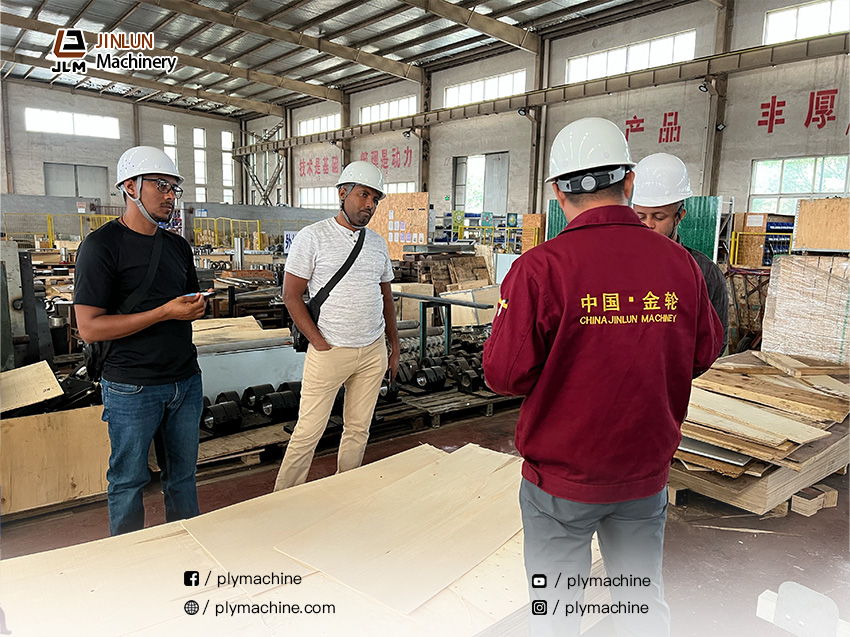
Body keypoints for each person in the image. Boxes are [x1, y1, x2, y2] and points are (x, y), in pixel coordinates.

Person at [483, 118, 722, 637]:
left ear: (556, 191)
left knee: (557, 614)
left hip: (561, 481)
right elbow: (703, 352)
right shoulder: (683, 266)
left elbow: (504, 375)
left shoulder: (539, 269)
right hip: (644, 473)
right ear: (629, 182)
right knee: (640, 604)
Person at [74, 146, 208, 536]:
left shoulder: (177, 246)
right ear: (131, 187)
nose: (170, 196)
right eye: (160, 186)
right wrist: (163, 313)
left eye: (173, 188)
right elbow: (90, 327)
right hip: (132, 386)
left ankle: (186, 548)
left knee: (182, 477)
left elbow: (184, 301)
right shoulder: (101, 247)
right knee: (128, 480)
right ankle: (129, 557)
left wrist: (194, 308)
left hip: (185, 381)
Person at [274, 161, 399, 491]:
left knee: (358, 429)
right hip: (330, 350)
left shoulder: (377, 243)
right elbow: (291, 295)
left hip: (372, 351)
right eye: (363, 195)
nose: (370, 204)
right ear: (342, 193)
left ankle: (344, 492)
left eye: (375, 199)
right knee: (308, 432)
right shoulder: (313, 237)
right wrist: (318, 341)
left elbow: (386, 298)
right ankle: (281, 501)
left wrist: (393, 347)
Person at [632, 152, 729, 356]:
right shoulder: (620, 267)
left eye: (659, 217)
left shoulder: (704, 272)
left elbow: (716, 343)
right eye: (640, 217)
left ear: (680, 216)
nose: (648, 224)